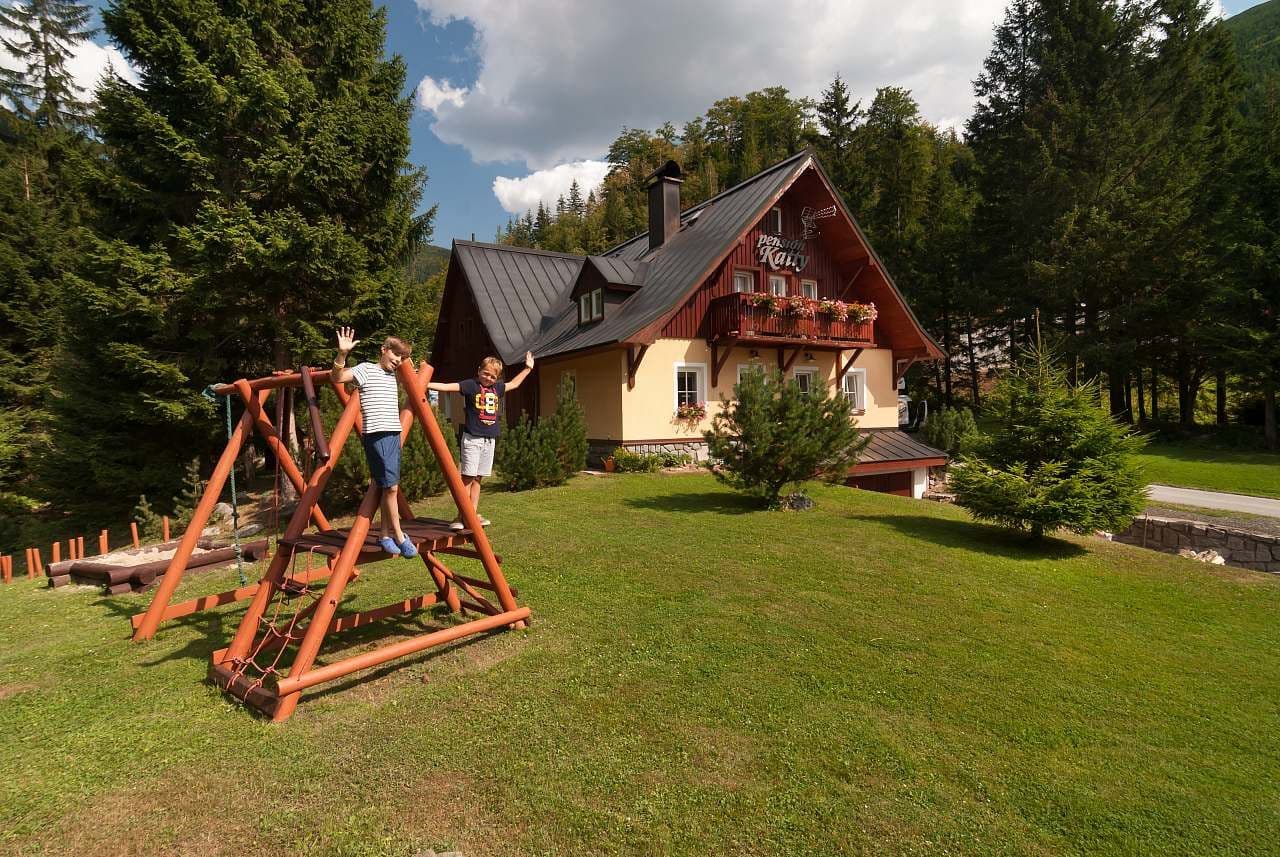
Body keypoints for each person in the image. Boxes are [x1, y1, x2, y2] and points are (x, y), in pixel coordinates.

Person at [331, 326, 418, 558]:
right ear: (384, 349)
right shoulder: (366, 370)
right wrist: (342, 354)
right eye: (395, 354)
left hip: (393, 433)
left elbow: (413, 380)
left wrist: (413, 370)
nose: (398, 360)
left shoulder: (394, 375)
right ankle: (399, 535)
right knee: (390, 487)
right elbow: (337, 377)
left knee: (386, 486)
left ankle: (385, 534)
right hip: (376, 435)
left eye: (402, 358)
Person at [429, 352, 534, 530]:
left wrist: (528, 368)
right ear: (479, 371)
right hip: (473, 439)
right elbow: (448, 387)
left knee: (478, 479)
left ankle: (472, 514)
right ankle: (461, 515)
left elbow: (514, 384)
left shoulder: (497, 389)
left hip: (489, 441)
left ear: (497, 378)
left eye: (493, 376)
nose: (488, 378)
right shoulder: (471, 385)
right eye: (485, 373)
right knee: (467, 478)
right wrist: (423, 383)